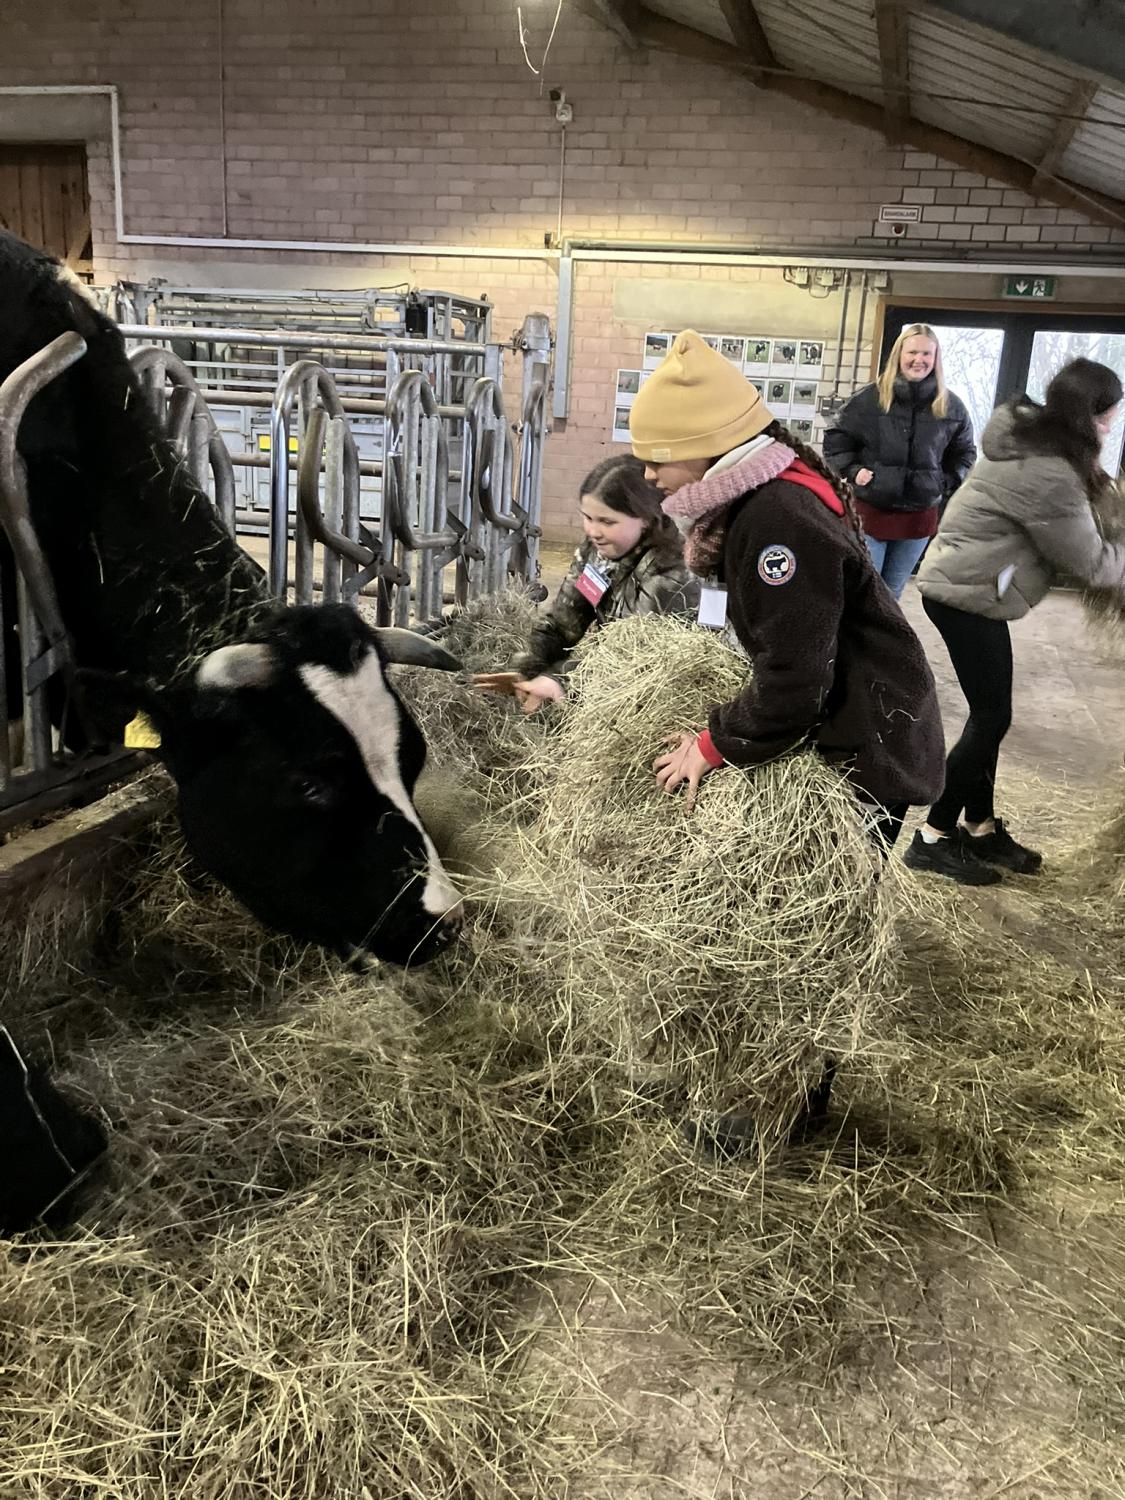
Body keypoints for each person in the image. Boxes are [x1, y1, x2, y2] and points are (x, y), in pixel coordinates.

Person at [627, 330, 946, 1157]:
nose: (648, 475)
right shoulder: (766, 488)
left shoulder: (775, 521)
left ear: (706, 446)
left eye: (658, 457)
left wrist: (715, 743)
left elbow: (795, 681)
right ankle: (753, 1086)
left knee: (810, 937)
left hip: (866, 744)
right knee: (776, 921)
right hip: (849, 726)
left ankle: (780, 1108)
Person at [904, 357, 1125, 885]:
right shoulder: (1049, 470)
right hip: (965, 593)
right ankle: (931, 838)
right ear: (1093, 415)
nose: (1112, 426)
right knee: (992, 717)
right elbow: (1093, 563)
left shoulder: (1036, 441)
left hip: (972, 586)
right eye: (1110, 415)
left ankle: (979, 827)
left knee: (990, 714)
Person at [474, 455, 699, 713]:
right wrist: (527, 666)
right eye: (588, 518)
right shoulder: (598, 552)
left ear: (646, 519)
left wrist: (560, 680)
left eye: (607, 522)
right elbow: (563, 623)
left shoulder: (672, 572)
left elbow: (636, 659)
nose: (593, 531)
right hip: (609, 676)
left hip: (660, 697)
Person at [823, 323, 976, 599]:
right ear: (899, 355)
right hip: (871, 511)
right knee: (865, 591)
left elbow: (964, 453)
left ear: (936, 358)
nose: (919, 360)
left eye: (926, 354)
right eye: (912, 352)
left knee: (892, 593)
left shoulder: (951, 406)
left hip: (919, 517)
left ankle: (884, 630)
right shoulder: (868, 399)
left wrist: (944, 482)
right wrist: (853, 471)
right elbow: (837, 440)